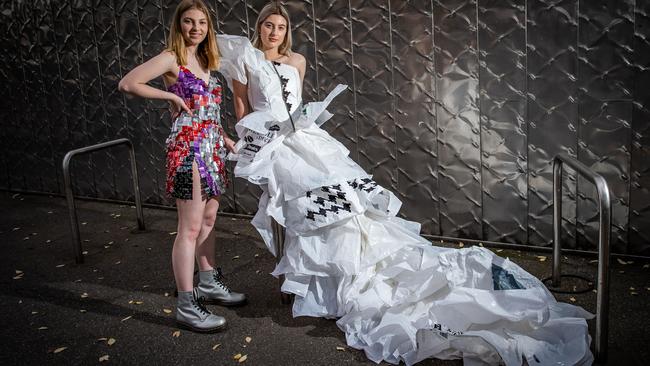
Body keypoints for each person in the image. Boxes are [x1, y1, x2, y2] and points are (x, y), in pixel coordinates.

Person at [218, 2, 593, 365]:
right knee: (306, 204)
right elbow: (242, 111)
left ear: (287, 31)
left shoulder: (297, 61)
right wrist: (251, 145)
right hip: (272, 144)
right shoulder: (246, 60)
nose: (274, 32)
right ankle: (322, 279)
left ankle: (353, 271)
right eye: (269, 25)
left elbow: (297, 105)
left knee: (350, 198)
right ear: (260, 26)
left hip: (306, 136)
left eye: (281, 27)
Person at [118, 0, 246, 333]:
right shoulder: (171, 57)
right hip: (188, 150)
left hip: (213, 148)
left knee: (208, 219)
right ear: (179, 25)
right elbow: (129, 83)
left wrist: (226, 138)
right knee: (188, 228)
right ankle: (187, 305)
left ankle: (208, 283)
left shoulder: (207, 59)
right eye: (189, 22)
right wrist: (171, 98)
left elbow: (209, 112)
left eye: (202, 23)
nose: (196, 29)